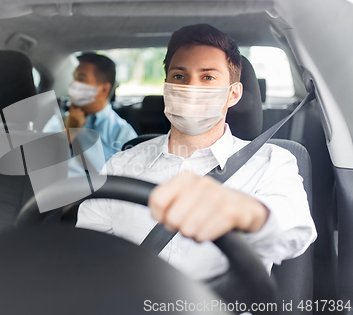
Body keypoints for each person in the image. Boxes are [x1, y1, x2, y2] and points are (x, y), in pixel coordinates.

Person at [76, 24, 317, 280]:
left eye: (208, 77)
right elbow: (88, 252)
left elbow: (295, 232)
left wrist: (245, 211)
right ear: (166, 86)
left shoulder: (271, 162)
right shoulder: (120, 165)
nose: (191, 89)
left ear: (233, 94)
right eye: (180, 76)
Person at [43, 52, 137, 176]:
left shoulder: (121, 133)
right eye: (74, 78)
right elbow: (38, 163)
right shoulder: (58, 121)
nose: (72, 84)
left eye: (80, 79)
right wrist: (69, 133)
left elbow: (129, 181)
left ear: (104, 89)